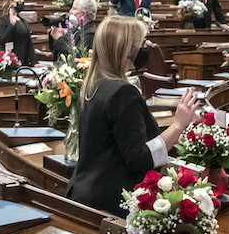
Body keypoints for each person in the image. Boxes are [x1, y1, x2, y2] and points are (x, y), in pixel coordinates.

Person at [65, 17, 198, 213]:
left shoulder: (93, 84)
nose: (145, 49)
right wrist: (178, 125)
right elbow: (139, 159)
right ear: (125, 50)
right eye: (141, 44)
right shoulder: (122, 92)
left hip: (85, 193)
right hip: (112, 202)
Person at [0, 0, 36, 66]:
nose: (22, 1)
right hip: (11, 63)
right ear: (10, 1)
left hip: (24, 62)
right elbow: (2, 41)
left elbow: (29, 43)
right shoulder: (2, 21)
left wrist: (34, 62)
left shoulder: (22, 21)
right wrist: (11, 25)